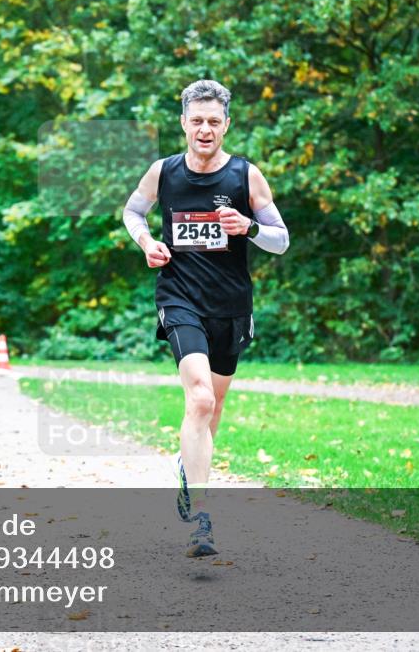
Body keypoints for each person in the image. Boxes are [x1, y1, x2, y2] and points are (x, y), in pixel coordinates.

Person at [122, 80, 290, 557]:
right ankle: (201, 518)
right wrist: (147, 242)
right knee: (198, 399)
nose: (205, 129)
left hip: (230, 306)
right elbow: (133, 212)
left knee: (211, 410)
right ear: (183, 122)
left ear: (226, 125)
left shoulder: (245, 176)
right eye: (196, 120)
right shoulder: (163, 172)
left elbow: (281, 239)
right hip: (179, 296)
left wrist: (249, 227)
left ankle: (188, 466)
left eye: (214, 121)